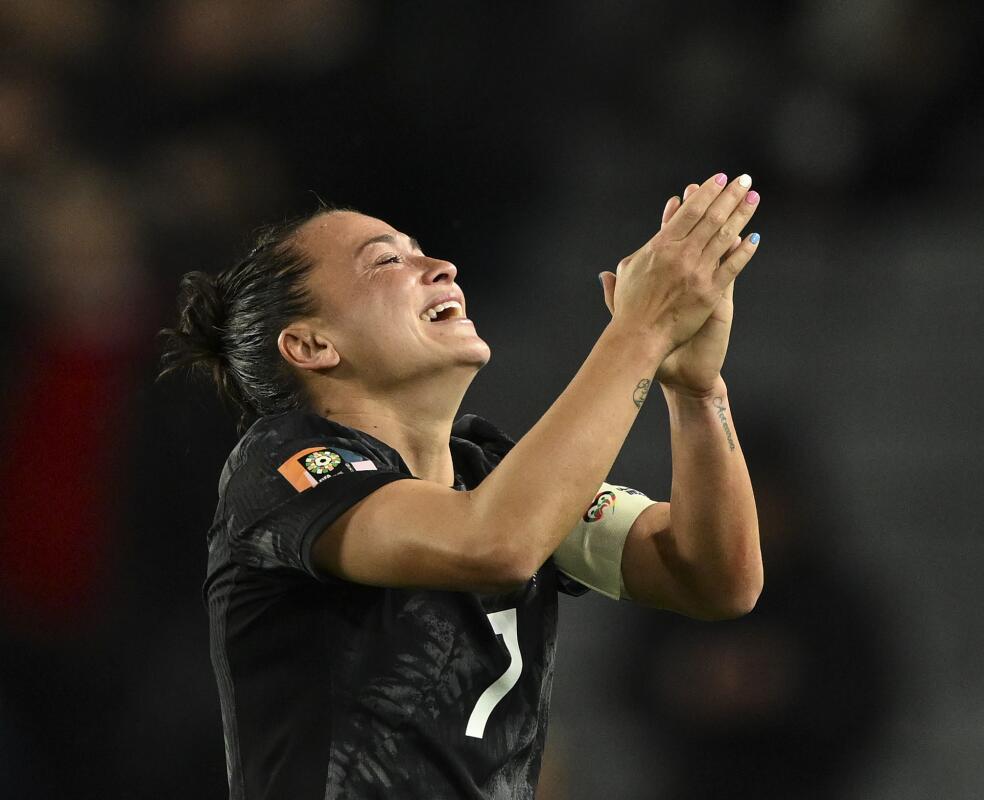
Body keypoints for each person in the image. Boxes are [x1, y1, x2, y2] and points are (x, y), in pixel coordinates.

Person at [159, 171, 764, 799]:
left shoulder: (494, 476)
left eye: (424, 249)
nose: (443, 266)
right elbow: (496, 544)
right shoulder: (280, 467)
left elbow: (711, 577)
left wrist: (695, 392)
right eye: (388, 260)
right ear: (312, 344)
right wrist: (640, 329)